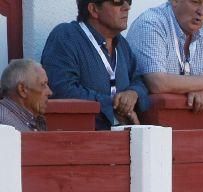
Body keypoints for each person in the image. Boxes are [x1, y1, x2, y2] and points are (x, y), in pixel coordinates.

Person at [41, 0, 150, 130]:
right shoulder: (66, 36)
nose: (127, 7)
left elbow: (139, 81)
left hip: (124, 139)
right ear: (93, 9)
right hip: (80, 139)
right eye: (118, 2)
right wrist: (114, 107)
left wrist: (133, 93)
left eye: (128, 1)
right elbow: (62, 90)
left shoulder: (122, 44)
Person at [126, 0, 203, 113]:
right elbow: (157, 82)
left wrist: (202, 88)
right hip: (148, 123)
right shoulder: (151, 23)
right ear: (175, 1)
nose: (202, 11)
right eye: (195, 2)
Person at [0, 59, 52, 132]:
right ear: (22, 89)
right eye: (43, 85)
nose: (50, 92)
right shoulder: (5, 125)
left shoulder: (32, 119)